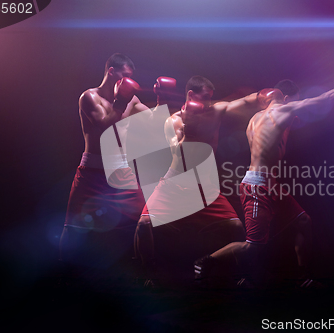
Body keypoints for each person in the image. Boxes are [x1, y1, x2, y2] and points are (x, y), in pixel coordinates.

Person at [194, 77, 334, 288]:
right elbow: (321, 99)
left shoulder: (255, 118)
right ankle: (207, 261)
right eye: (295, 102)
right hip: (257, 186)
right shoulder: (281, 111)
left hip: (269, 185)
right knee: (254, 245)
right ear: (288, 98)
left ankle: (302, 278)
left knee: (303, 221)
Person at [135, 75, 275, 286]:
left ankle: (239, 276)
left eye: (211, 97)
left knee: (237, 228)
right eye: (205, 97)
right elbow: (177, 154)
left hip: (203, 187)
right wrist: (189, 131)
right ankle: (148, 274)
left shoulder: (215, 111)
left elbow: (243, 103)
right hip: (174, 183)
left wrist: (263, 97)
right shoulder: (173, 121)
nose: (209, 102)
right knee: (144, 225)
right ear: (191, 95)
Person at [59, 53, 150, 280]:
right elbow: (106, 126)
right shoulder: (89, 97)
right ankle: (62, 276)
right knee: (73, 227)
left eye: (130, 77)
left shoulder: (132, 100)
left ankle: (146, 272)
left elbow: (156, 120)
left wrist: (162, 100)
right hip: (92, 173)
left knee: (145, 221)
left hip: (121, 172)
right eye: (125, 75)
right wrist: (120, 100)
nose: (128, 80)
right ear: (111, 71)